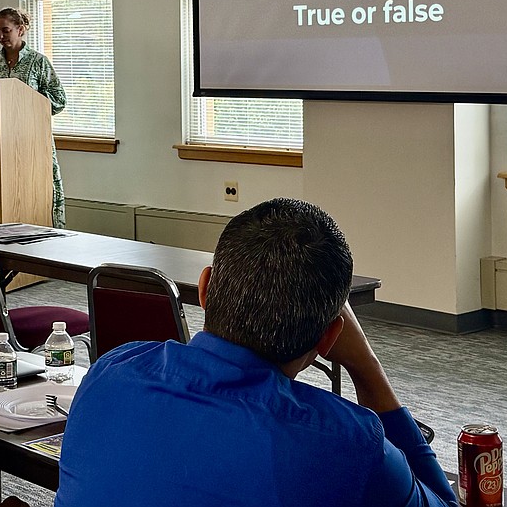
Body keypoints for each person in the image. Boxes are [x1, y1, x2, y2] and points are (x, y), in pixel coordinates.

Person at [55, 197, 458, 507]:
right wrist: (366, 366)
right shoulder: (347, 443)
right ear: (330, 336)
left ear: (206, 289)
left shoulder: (110, 373)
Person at [0, 6, 68, 227]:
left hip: (32, 142)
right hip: (1, 142)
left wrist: (28, 100)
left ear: (20, 29)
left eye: (5, 30)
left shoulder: (38, 62)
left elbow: (59, 99)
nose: (0, 36)